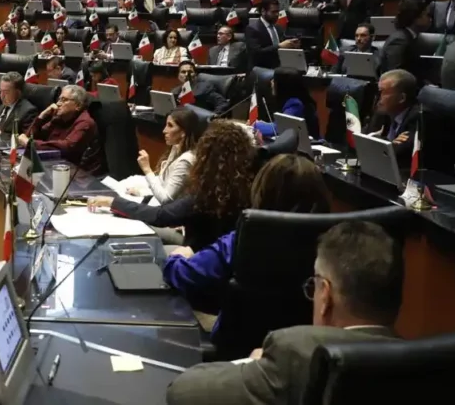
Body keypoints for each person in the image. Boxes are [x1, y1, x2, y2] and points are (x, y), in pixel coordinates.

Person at [166, 221, 401, 405]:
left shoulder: (296, 352)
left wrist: (253, 368)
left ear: (325, 297)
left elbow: (182, 390)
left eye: (314, 284)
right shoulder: (426, 363)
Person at [162, 154, 331, 340]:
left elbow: (183, 275)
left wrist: (176, 258)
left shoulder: (243, 239)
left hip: (237, 350)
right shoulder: (334, 247)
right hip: (306, 351)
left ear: (262, 191)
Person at [88, 120, 255, 251]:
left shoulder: (208, 190)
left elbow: (160, 216)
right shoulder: (249, 184)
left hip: (198, 254)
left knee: (138, 245)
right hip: (223, 252)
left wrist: (114, 202)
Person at [18, 84, 103, 174]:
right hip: (53, 165)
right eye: (59, 99)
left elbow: (67, 146)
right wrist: (41, 117)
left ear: (78, 105)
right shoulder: (59, 118)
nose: (58, 104)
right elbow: (28, 137)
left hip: (77, 175)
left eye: (64, 100)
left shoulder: (85, 122)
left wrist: (31, 143)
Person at [129, 107, 202, 205]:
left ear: (183, 133)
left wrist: (147, 169)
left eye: (170, 126)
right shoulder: (176, 148)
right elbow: (162, 182)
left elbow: (165, 199)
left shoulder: (186, 160)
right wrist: (141, 192)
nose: (164, 131)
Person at [365, 69, 420, 170]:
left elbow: (399, 154)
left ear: (401, 98)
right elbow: (365, 140)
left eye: (382, 93)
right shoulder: (384, 112)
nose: (378, 98)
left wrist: (381, 142)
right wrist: (388, 143)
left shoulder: (416, 118)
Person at [253, 68, 320, 140]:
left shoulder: (295, 104)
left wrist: (255, 124)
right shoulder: (291, 101)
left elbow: (278, 129)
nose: (271, 82)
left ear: (283, 85)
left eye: (274, 80)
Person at [378, 0, 428, 77]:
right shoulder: (399, 40)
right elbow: (395, 77)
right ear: (416, 18)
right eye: (426, 15)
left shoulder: (410, 36)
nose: (429, 19)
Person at [245, 0, 298, 69]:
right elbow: (256, 54)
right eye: (273, 12)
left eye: (278, 11)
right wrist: (279, 46)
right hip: (261, 68)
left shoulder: (278, 27)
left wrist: (292, 45)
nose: (277, 15)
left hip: (280, 65)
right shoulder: (252, 29)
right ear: (263, 11)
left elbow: (283, 46)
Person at [0, 72, 38, 137]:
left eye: (6, 92)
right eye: (0, 91)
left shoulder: (28, 111)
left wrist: (1, 135)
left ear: (18, 93)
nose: (2, 96)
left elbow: (24, 140)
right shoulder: (1, 106)